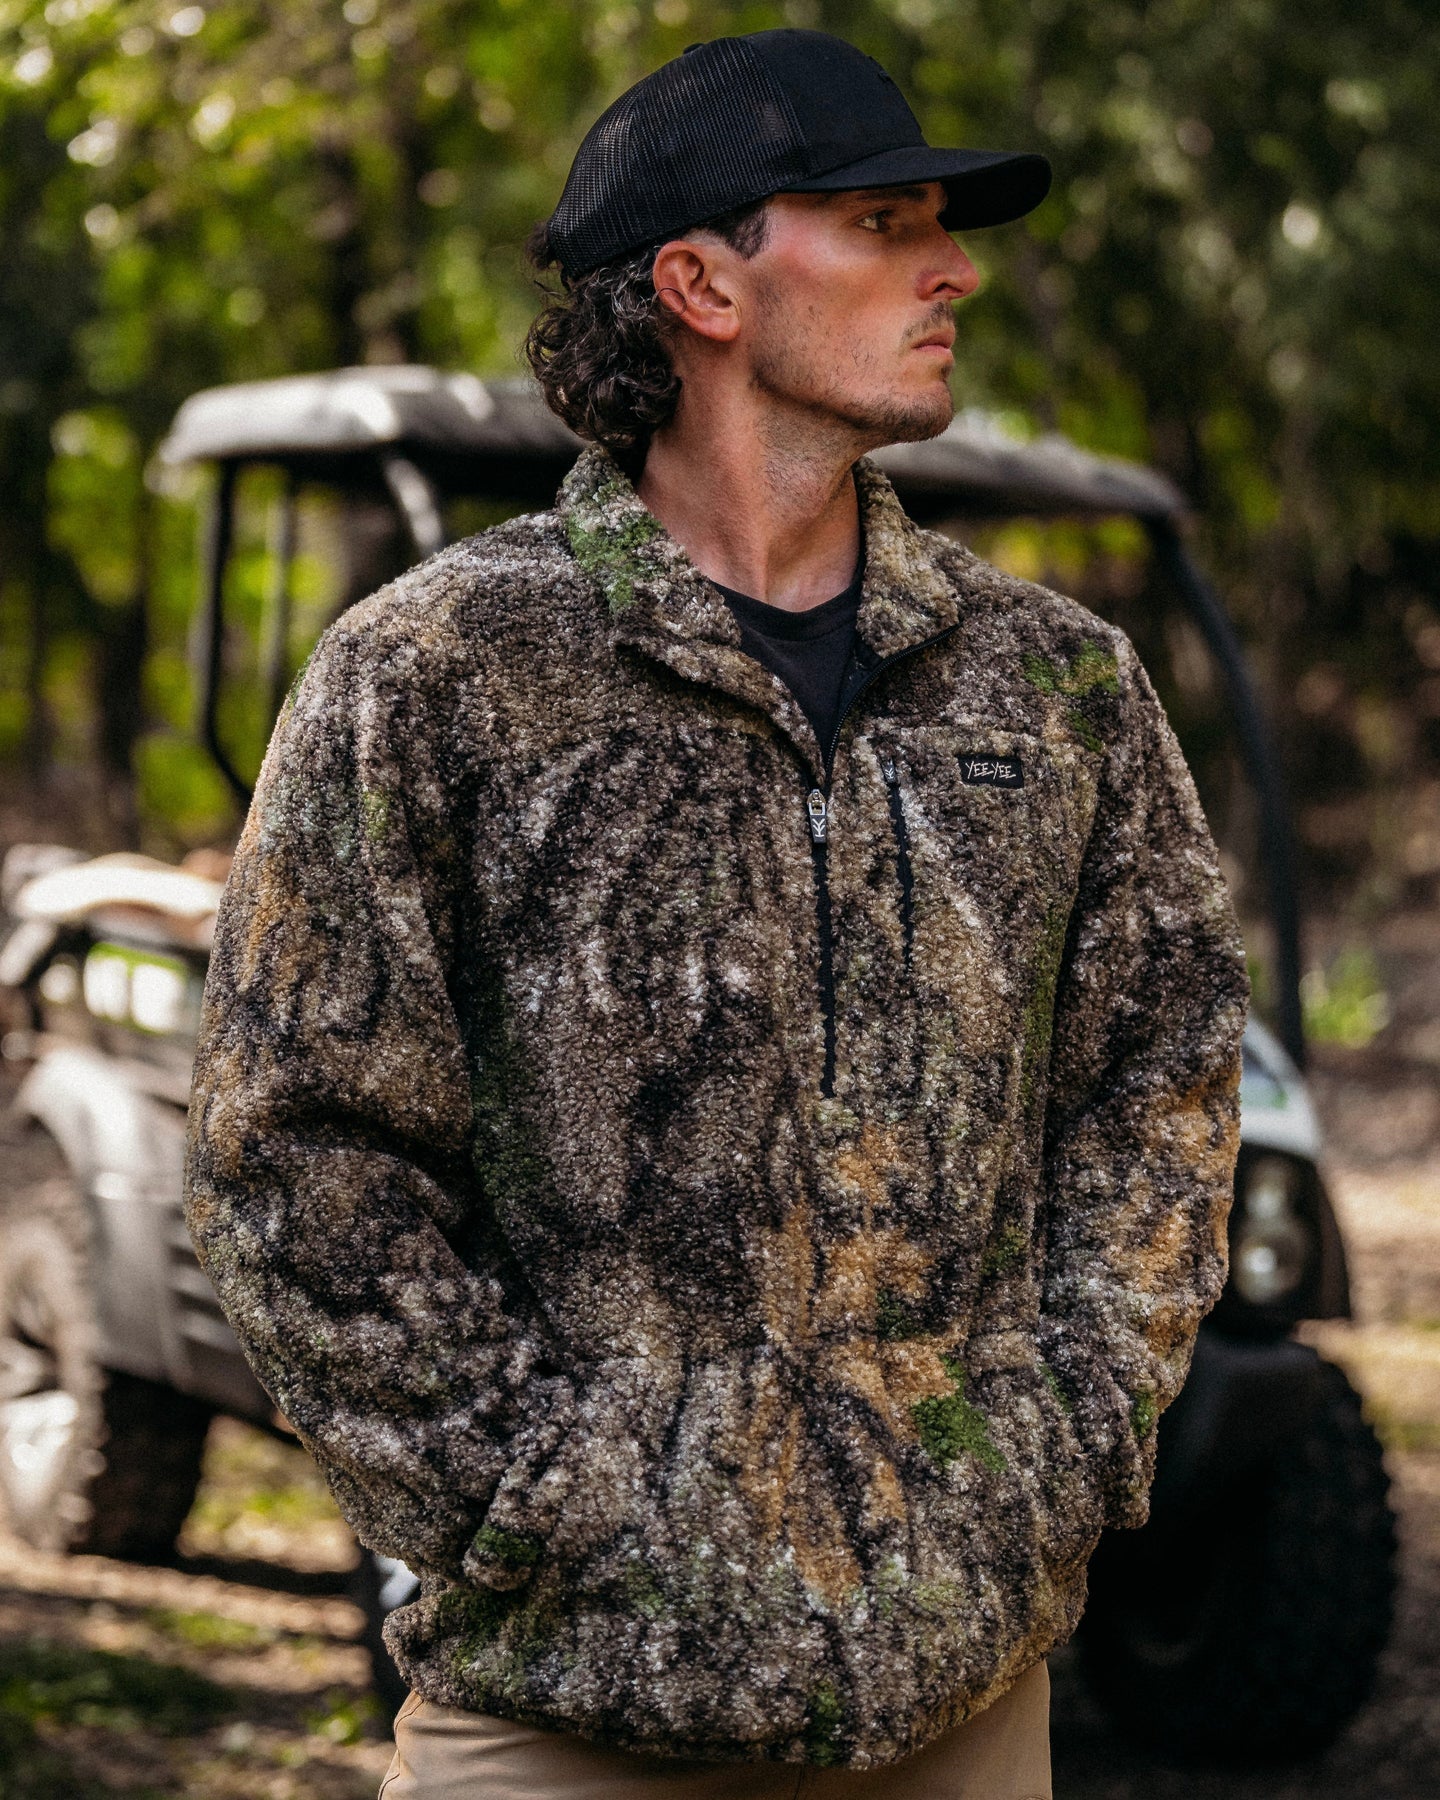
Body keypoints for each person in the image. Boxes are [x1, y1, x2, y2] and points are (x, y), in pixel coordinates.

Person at [184, 27, 1248, 1800]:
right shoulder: (440, 673)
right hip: (567, 1712)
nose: (955, 269)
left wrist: (1048, 1451)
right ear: (699, 287)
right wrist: (548, 1503)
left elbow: (1162, 1086)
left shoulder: (1055, 688)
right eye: (886, 223)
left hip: (960, 1706)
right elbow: (294, 1157)